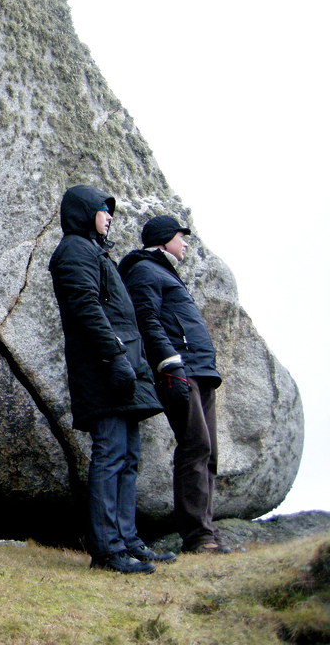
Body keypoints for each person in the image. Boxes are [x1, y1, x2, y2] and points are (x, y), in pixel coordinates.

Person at [48, 185, 172, 573]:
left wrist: (128, 361)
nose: (109, 217)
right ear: (86, 213)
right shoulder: (74, 250)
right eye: (103, 210)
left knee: (128, 457)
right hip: (102, 368)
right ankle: (107, 550)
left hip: (121, 366)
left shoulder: (94, 251)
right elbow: (85, 307)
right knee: (111, 454)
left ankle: (128, 541)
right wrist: (116, 357)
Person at [118, 215, 229, 554]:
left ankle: (206, 533)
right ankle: (198, 537)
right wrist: (170, 364)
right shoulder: (144, 270)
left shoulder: (164, 272)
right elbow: (147, 320)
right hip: (180, 371)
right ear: (165, 238)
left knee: (208, 452)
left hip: (199, 371)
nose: (185, 243)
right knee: (195, 447)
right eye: (181, 237)